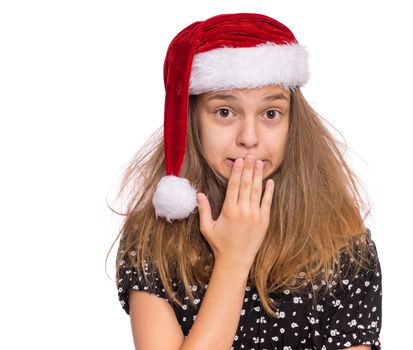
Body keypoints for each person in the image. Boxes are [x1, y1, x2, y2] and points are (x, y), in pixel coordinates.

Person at [112, 12, 382, 350]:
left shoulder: (340, 238)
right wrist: (234, 259)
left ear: (291, 123)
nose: (249, 138)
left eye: (271, 114)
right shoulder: (153, 236)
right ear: (192, 119)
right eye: (225, 112)